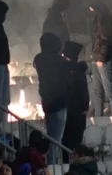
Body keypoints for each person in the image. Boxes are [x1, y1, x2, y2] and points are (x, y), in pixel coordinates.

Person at [34, 33, 87, 164]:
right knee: (55, 139)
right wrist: (83, 65)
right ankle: (52, 166)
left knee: (51, 135)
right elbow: (79, 67)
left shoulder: (39, 59)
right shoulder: (58, 61)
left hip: (47, 103)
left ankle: (52, 163)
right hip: (59, 104)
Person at [90, 3, 112, 116]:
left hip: (102, 59)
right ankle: (98, 117)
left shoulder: (104, 19)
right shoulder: (100, 17)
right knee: (96, 91)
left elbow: (106, 39)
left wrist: (102, 56)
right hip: (97, 57)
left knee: (109, 91)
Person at [61, 42, 90, 157]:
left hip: (70, 114)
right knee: (75, 146)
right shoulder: (79, 71)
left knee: (67, 146)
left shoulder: (68, 72)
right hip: (78, 115)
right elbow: (85, 93)